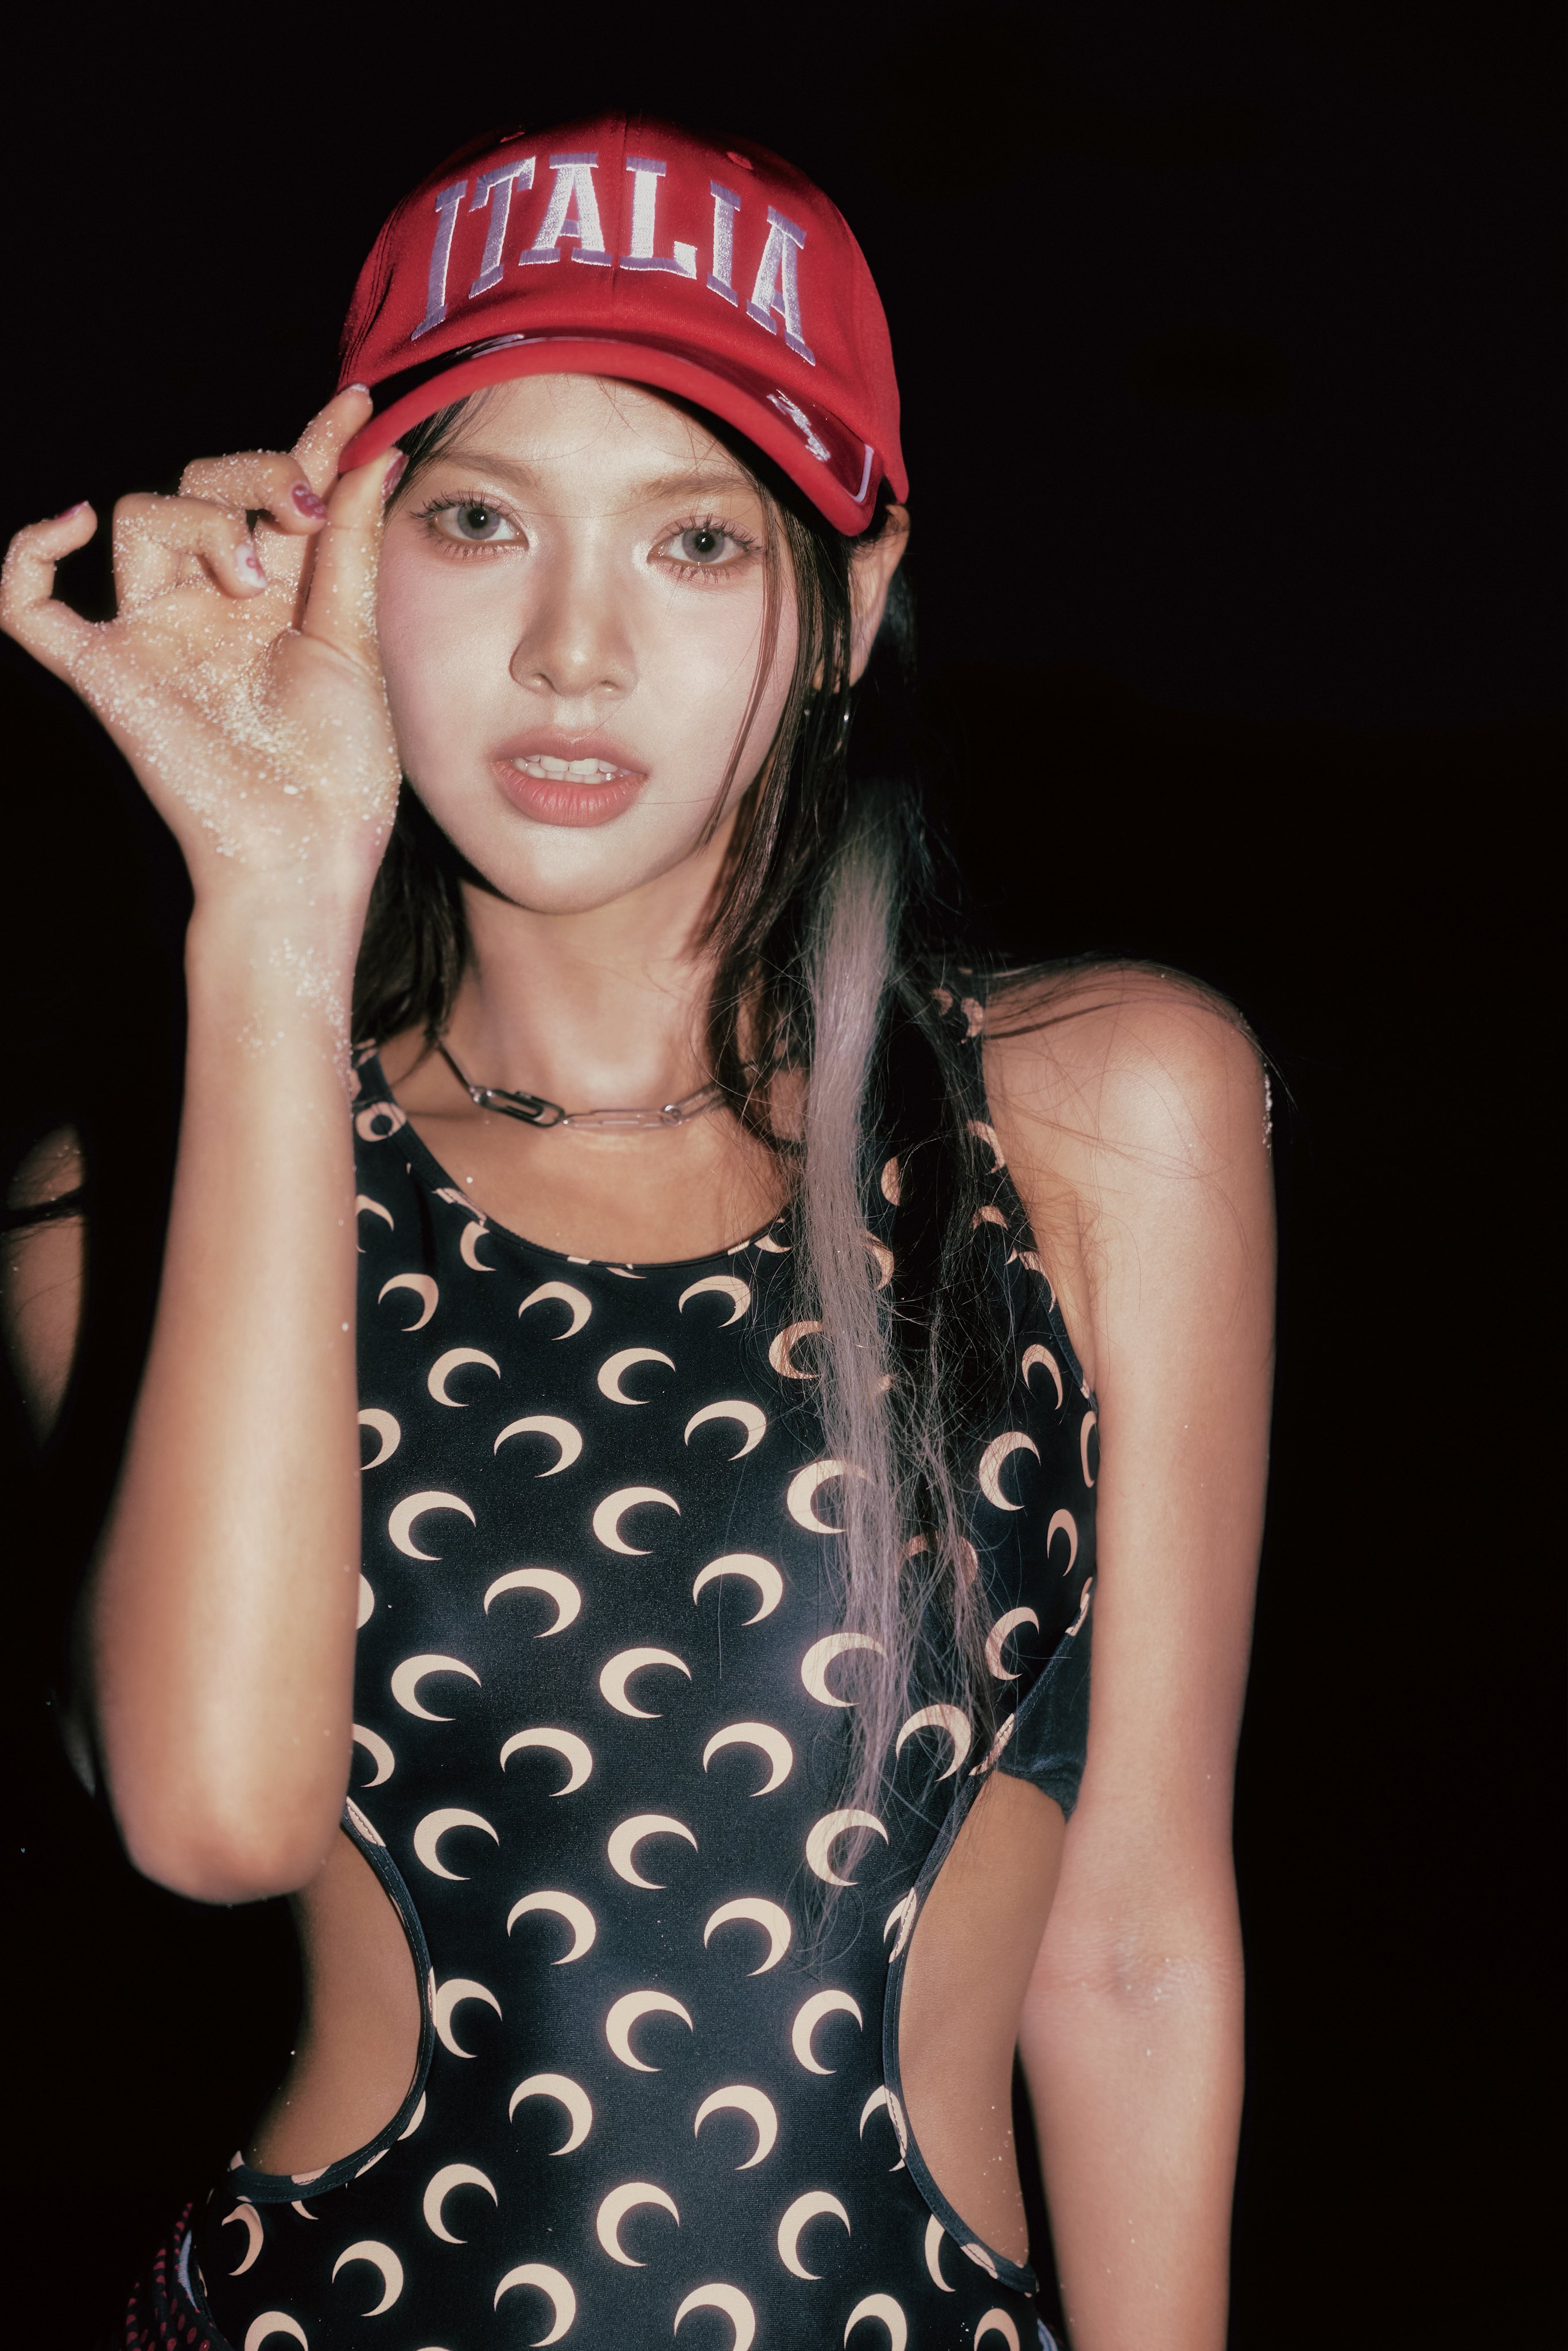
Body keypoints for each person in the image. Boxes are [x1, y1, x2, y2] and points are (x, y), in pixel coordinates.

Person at [0, 114, 1274, 2351]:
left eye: (692, 541)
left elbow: (1135, 1947)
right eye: (476, 520)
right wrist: (269, 909)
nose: (572, 650)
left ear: (844, 606)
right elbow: (211, 1814)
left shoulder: (1093, 1118)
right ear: (330, 552)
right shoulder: (135, 1205)